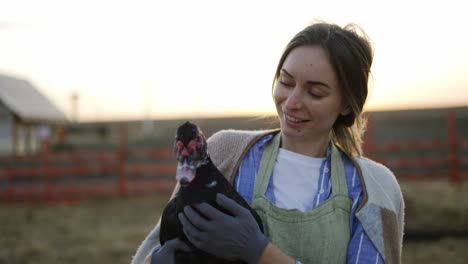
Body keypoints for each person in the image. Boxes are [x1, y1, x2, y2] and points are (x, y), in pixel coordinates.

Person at [132, 22, 405, 264]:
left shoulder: (373, 188)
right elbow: (158, 243)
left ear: (346, 104)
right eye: (286, 82)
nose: (292, 102)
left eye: (315, 92)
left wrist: (259, 251)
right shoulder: (224, 152)